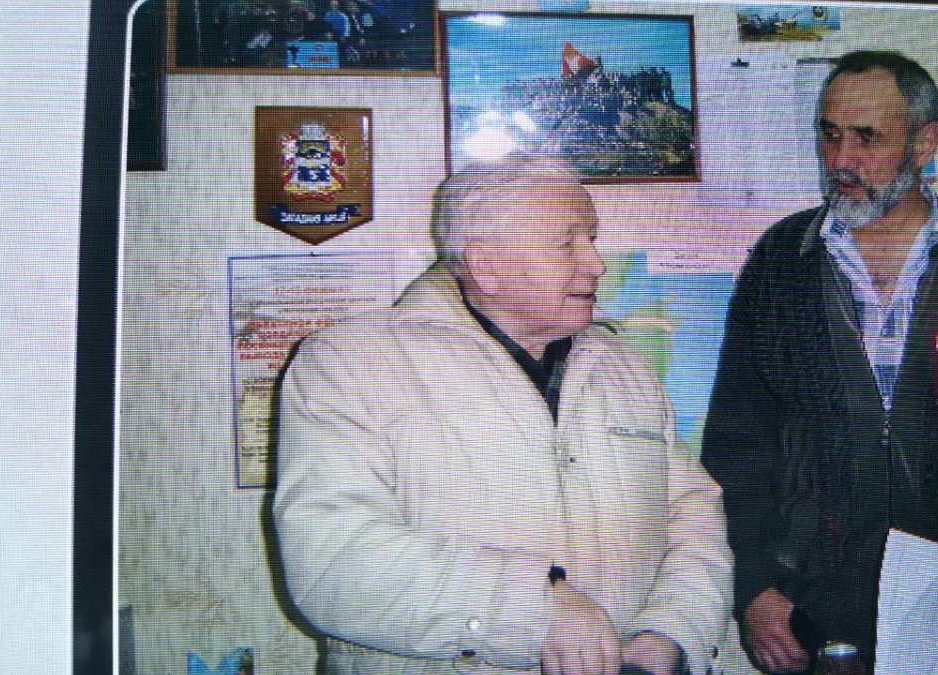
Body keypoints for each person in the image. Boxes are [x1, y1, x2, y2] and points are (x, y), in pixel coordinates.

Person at [274, 155, 731, 675]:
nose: (597, 264)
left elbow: (693, 514)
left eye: (591, 239)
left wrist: (671, 631)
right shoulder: (351, 363)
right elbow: (333, 562)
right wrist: (535, 613)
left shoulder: (625, 366)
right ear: (485, 266)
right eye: (567, 244)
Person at [701, 51, 938, 672]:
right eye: (830, 135)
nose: (840, 160)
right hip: (811, 601)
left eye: (867, 138)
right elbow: (737, 442)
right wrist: (755, 586)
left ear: (924, 143)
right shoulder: (781, 259)